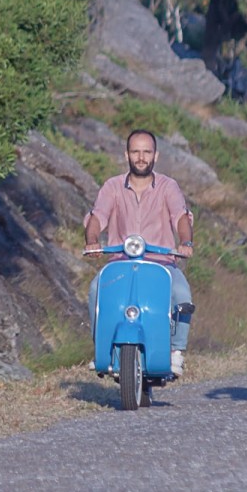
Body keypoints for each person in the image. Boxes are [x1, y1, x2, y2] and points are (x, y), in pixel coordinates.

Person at [84, 129, 195, 376]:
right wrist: (92, 240)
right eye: (136, 151)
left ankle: (176, 352)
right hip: (120, 263)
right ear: (127, 154)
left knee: (182, 295)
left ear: (156, 155)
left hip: (160, 262)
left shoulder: (168, 186)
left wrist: (186, 242)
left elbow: (180, 216)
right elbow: (97, 216)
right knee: (95, 291)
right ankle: (101, 348)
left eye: (146, 152)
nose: (141, 157)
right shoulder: (112, 186)